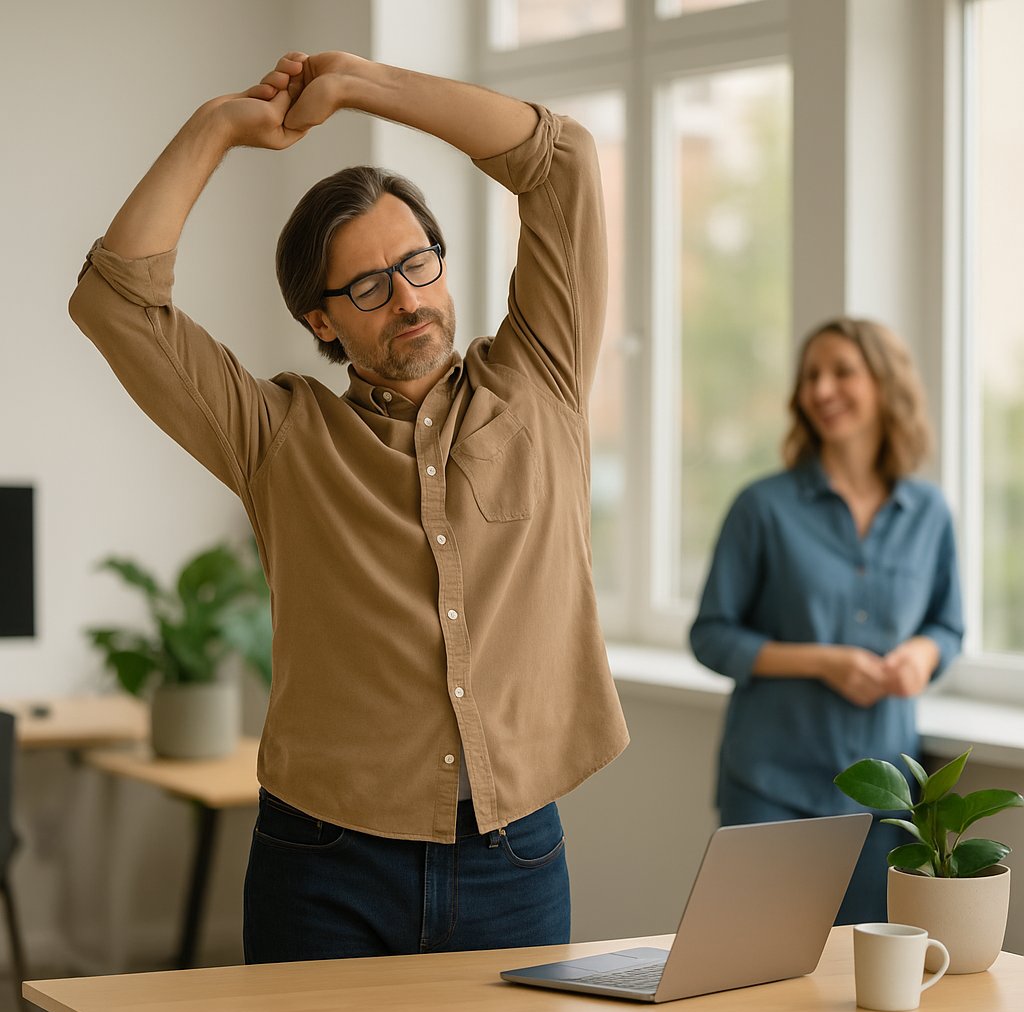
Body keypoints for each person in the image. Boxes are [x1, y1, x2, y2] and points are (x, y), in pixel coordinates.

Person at [69, 50, 629, 962]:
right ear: (321, 321)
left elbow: (560, 159)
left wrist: (365, 87)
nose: (407, 298)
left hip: (514, 855)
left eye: (417, 263)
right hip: (324, 863)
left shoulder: (542, 379)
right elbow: (115, 303)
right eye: (369, 285)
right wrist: (219, 126)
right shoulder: (276, 437)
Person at [689, 317, 963, 925]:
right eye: (810, 375)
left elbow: (948, 626)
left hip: (885, 796)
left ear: (885, 384)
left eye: (842, 372)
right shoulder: (761, 507)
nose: (821, 389)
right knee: (756, 960)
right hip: (769, 784)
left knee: (863, 969)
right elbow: (710, 635)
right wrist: (822, 662)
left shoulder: (929, 513)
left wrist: (921, 656)